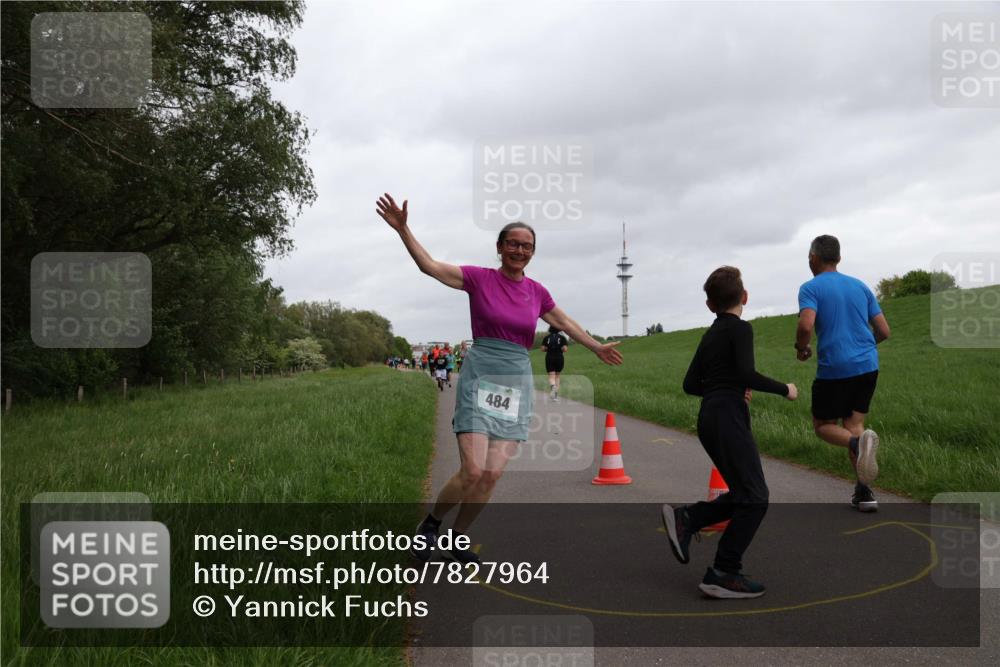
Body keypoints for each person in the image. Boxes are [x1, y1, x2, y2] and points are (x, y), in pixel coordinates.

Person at [376, 193, 623, 564]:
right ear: (500, 247)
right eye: (513, 244)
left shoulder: (537, 292)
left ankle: (457, 538)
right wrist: (403, 230)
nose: (519, 251)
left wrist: (596, 346)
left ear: (532, 252)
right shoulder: (479, 279)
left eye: (527, 246)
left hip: (514, 383)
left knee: (491, 474)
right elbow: (430, 266)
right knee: (472, 470)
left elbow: (565, 322)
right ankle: (430, 525)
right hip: (480, 375)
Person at [662, 266, 798, 599]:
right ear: (745, 297)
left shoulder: (709, 335)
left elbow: (690, 384)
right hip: (727, 418)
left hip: (709, 417)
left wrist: (723, 388)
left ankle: (689, 518)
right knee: (756, 497)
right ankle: (724, 571)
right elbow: (746, 372)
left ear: (710, 305)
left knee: (743, 493)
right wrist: (785, 389)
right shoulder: (740, 328)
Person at [795, 235, 890, 512]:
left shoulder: (810, 288)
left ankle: (856, 444)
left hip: (834, 368)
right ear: (838, 257)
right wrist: (864, 348)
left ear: (814, 257)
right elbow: (884, 331)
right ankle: (865, 492)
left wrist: (801, 348)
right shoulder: (860, 286)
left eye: (808, 256)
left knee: (823, 426)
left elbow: (806, 326)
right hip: (867, 366)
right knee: (854, 423)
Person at [541, 326, 569, 401]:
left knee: (551, 376)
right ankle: (555, 395)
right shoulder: (562, 338)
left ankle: (553, 386)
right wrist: (559, 348)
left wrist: (548, 348)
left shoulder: (547, 338)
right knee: (557, 376)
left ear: (550, 329)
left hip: (549, 357)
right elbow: (565, 349)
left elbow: (542, 349)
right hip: (559, 358)